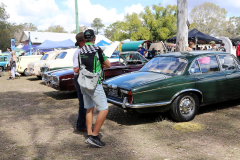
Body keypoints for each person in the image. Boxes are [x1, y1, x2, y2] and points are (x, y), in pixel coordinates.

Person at [80, 29, 111, 148]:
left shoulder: (81, 50)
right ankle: (94, 136)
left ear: (84, 39)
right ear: (94, 38)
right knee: (104, 109)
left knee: (89, 108)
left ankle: (89, 134)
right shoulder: (97, 49)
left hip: (83, 82)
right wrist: (101, 64)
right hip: (94, 83)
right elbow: (108, 64)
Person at [72, 32, 87, 132]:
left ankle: (83, 124)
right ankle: (81, 125)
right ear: (82, 41)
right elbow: (76, 69)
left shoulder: (83, 51)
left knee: (85, 103)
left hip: (83, 79)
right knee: (83, 104)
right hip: (80, 79)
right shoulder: (78, 52)